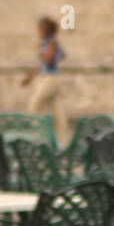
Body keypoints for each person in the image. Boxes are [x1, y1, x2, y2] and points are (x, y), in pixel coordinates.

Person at [19, 17, 68, 145]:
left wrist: (41, 49)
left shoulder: (51, 42)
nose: (38, 30)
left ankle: (35, 139)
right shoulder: (48, 42)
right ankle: (63, 142)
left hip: (50, 79)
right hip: (49, 77)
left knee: (34, 106)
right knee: (58, 113)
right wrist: (29, 78)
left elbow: (48, 60)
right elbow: (42, 65)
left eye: (41, 27)